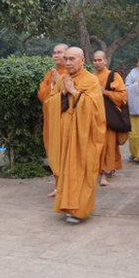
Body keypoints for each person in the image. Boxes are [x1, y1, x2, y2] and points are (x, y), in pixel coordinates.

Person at [45, 47, 106, 224]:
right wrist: (64, 92)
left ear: (82, 60)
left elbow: (96, 110)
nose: (68, 62)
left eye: (72, 59)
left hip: (84, 136)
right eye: (66, 59)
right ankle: (67, 206)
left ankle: (80, 210)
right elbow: (50, 102)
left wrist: (74, 93)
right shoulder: (63, 80)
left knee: (81, 172)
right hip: (66, 135)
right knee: (67, 171)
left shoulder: (91, 80)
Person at [92, 50, 128, 187]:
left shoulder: (113, 76)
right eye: (95, 60)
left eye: (100, 60)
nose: (97, 63)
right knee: (98, 145)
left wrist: (106, 92)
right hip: (95, 116)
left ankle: (105, 173)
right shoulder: (91, 77)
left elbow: (122, 96)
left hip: (109, 117)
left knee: (109, 145)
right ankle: (105, 168)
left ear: (106, 61)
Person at [37, 43, 68, 198]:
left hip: (66, 121)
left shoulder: (71, 72)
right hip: (51, 120)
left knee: (65, 153)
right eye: (54, 52)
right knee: (53, 152)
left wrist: (60, 83)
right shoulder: (50, 74)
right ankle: (58, 186)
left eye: (60, 52)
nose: (56, 55)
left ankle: (66, 187)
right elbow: (42, 94)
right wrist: (54, 84)